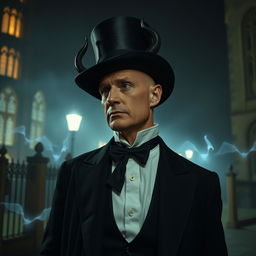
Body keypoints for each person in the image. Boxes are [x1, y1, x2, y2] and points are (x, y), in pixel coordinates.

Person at [40, 16, 228, 256]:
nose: (111, 98)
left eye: (125, 85)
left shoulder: (202, 183)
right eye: (104, 90)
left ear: (154, 95)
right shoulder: (73, 173)